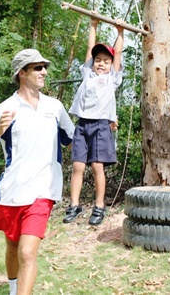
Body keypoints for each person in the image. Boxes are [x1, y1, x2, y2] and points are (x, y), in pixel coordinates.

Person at [0, 49, 75, 295]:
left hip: (43, 191)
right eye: (38, 68)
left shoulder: (55, 107)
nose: (44, 72)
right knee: (12, 247)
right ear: (22, 73)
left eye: (44, 67)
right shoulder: (7, 108)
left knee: (28, 252)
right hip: (12, 191)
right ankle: (13, 289)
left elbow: (71, 138)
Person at [63, 15, 124, 226]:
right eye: (98, 60)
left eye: (106, 61)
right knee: (78, 166)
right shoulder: (88, 74)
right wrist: (93, 26)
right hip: (82, 124)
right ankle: (74, 204)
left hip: (101, 125)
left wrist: (120, 33)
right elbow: (90, 48)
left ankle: (99, 205)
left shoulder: (112, 79)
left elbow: (118, 56)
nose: (101, 64)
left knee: (97, 166)